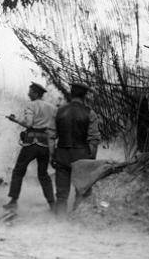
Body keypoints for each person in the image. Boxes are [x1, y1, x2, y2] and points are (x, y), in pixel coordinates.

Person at [3, 82, 57, 211]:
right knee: (43, 174)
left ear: (36, 93)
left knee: (18, 171)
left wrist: (15, 119)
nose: (28, 94)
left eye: (30, 91)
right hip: (45, 145)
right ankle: (52, 204)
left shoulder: (30, 105)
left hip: (31, 143)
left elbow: (28, 123)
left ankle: (13, 201)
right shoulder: (52, 108)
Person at [50, 82, 101, 216]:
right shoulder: (90, 113)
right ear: (84, 96)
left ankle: (59, 223)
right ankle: (76, 222)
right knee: (81, 192)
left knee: (61, 194)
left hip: (62, 154)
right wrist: (91, 160)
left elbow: (51, 137)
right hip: (82, 156)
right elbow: (93, 140)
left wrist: (52, 155)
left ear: (71, 94)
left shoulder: (58, 111)